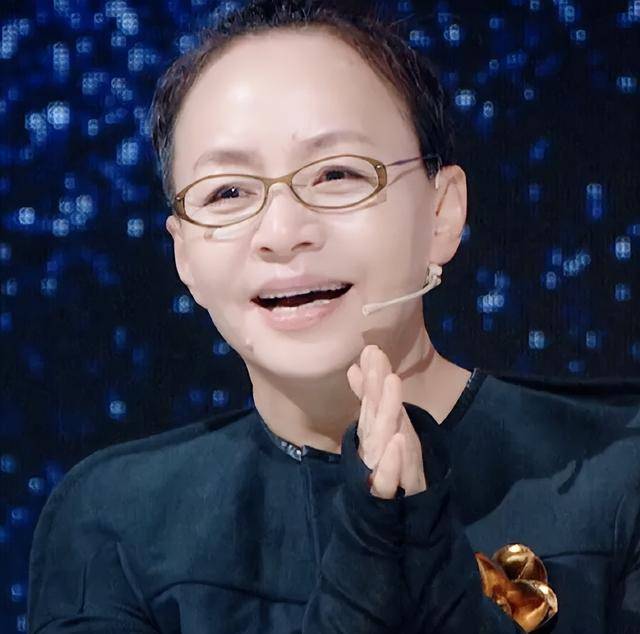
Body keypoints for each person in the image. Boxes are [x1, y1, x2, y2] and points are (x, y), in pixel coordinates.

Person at [27, 1, 640, 632]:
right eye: (228, 192)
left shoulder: (616, 476)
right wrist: (371, 556)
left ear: (442, 213)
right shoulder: (115, 523)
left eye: (337, 174)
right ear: (184, 254)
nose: (282, 232)